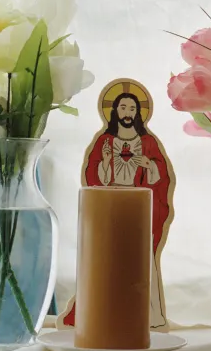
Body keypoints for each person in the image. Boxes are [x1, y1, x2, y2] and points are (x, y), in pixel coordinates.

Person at [63, 92, 171, 328]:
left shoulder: (148, 143)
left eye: (132, 109)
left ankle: (148, 316)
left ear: (138, 113)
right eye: (123, 108)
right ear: (114, 112)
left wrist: (149, 165)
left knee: (141, 260)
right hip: (110, 206)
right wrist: (103, 163)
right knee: (107, 260)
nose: (127, 113)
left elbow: (161, 176)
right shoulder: (104, 142)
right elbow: (92, 178)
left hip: (139, 207)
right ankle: (102, 314)